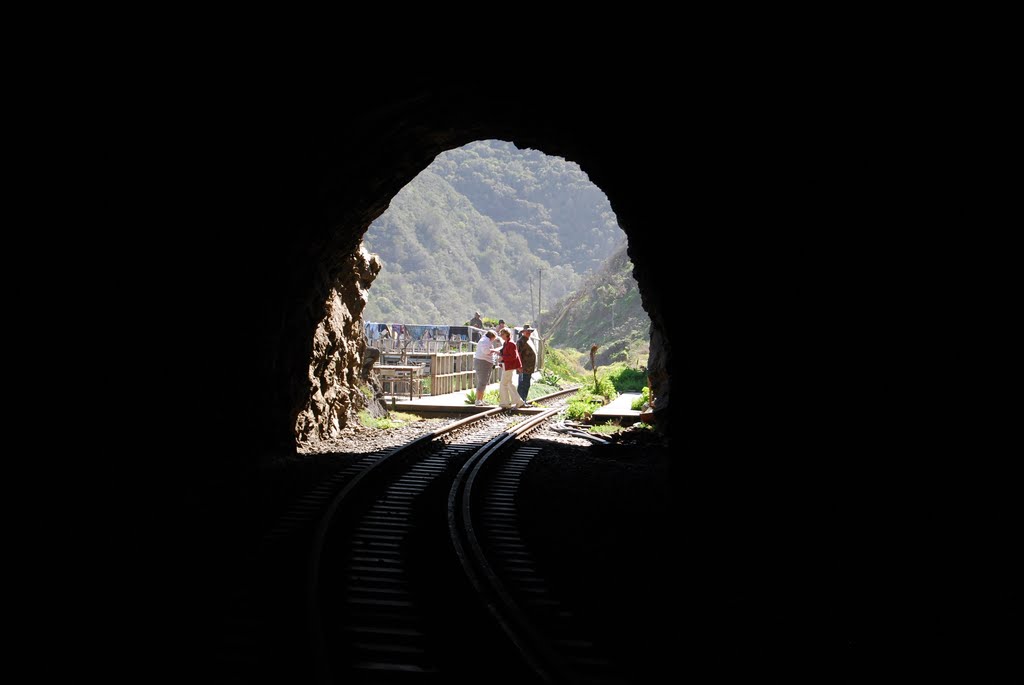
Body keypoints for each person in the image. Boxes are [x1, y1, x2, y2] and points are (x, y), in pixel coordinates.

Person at [497, 328, 526, 409]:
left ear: (507, 334)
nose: (501, 336)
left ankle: (505, 403)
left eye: (502, 334)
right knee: (509, 384)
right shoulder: (506, 343)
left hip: (509, 366)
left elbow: (513, 356)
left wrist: (503, 358)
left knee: (503, 384)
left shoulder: (511, 343)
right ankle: (518, 401)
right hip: (506, 366)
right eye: (501, 334)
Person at [473, 329, 499, 406]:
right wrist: (494, 350)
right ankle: (478, 400)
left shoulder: (486, 341)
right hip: (482, 362)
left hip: (486, 362)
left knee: (484, 382)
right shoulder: (484, 341)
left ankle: (481, 399)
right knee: (482, 381)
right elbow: (486, 351)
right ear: (492, 336)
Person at [516, 324, 537, 404]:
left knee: (526, 384)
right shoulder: (521, 341)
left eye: (530, 331)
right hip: (523, 367)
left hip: (529, 368)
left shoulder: (528, 340)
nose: (529, 332)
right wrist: (519, 366)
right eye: (527, 331)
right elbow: (518, 354)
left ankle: (523, 400)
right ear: (523, 332)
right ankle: (520, 401)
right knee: (522, 384)